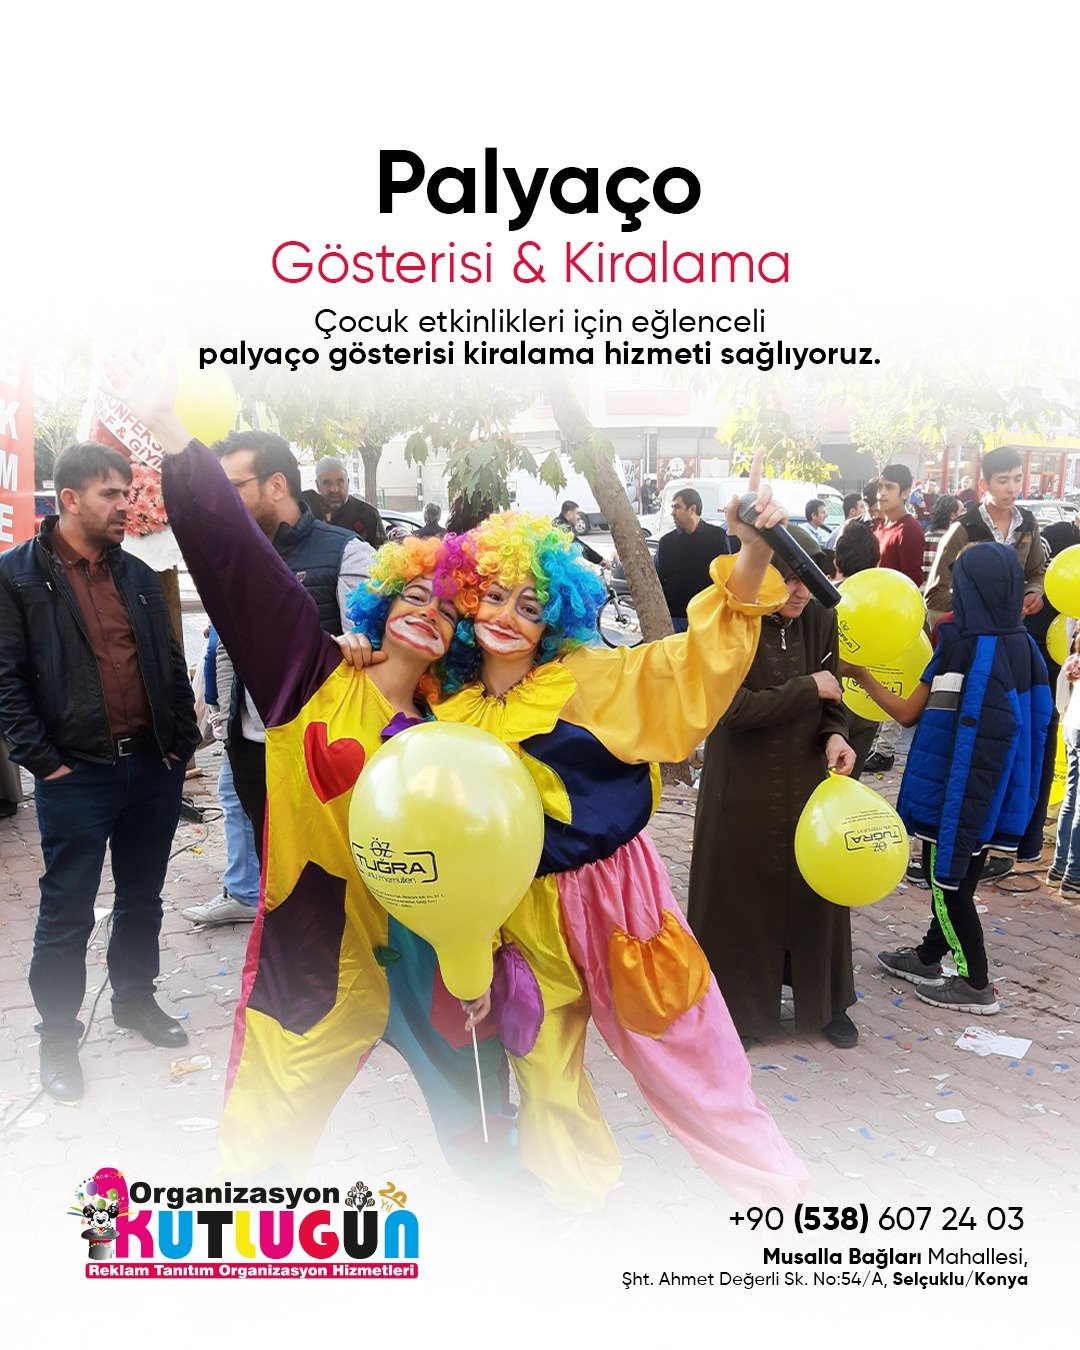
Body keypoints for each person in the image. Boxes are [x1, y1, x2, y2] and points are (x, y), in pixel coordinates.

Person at [125, 377, 514, 1184]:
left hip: (434, 950)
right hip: (316, 941)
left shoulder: (461, 729)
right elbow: (241, 570)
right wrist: (178, 445)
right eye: (414, 595)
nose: (429, 613)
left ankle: (504, 1223)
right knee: (268, 1126)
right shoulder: (309, 676)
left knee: (480, 1115)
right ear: (381, 607)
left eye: (449, 610)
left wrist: (483, 957)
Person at [420, 468, 810, 1212]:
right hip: (514, 914)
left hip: (613, 898)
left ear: (555, 617)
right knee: (543, 1071)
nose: (506, 617)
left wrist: (753, 553)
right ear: (467, 600)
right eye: (493, 596)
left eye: (530, 605)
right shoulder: (446, 701)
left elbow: (692, 667)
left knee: (689, 1060)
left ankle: (778, 1200)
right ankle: (575, 1205)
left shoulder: (589, 679)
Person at [0, 441, 200, 1104]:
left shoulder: (138, 574)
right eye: (110, 494)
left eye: (127, 492)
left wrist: (180, 746)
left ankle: (134, 1000)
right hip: (76, 776)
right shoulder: (15, 578)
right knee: (67, 909)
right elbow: (6, 681)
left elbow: (169, 662)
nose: (125, 506)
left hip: (152, 768)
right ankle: (58, 1034)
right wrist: (45, 764)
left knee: (143, 897)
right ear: (69, 500)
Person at [844, 543, 1051, 1014]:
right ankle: (927, 956)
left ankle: (975, 982)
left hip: (954, 794)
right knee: (962, 876)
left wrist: (860, 675)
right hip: (997, 793)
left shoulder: (962, 646)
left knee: (949, 885)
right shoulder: (1026, 648)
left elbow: (907, 712)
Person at [688, 525, 859, 1048]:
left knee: (817, 890)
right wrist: (808, 688)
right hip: (741, 784)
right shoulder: (731, 620)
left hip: (806, 780)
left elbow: (834, 699)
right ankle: (738, 1012)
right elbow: (729, 709)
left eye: (810, 580)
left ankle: (827, 1003)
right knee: (740, 898)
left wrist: (835, 736)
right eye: (790, 579)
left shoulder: (821, 616)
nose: (801, 591)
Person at [214, 431, 368, 859]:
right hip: (253, 752)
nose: (222, 501)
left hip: (321, 751)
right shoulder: (235, 557)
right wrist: (227, 724)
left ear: (277, 485)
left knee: (330, 875)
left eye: (233, 487)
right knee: (273, 874)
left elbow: (366, 652)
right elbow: (226, 648)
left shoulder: (346, 552)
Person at [181, 632, 261, 926]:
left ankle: (246, 893)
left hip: (256, 728)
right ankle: (247, 889)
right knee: (233, 796)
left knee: (239, 800)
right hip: (241, 724)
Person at [924, 446, 1046, 631]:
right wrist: (982, 600)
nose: (1012, 488)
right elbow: (934, 597)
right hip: (971, 635)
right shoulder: (964, 529)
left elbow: (1037, 573)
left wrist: (1034, 593)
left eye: (1017, 479)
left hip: (1012, 631)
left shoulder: (1028, 523)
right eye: (1003, 480)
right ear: (984, 484)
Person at [656, 486, 730, 631]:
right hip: (676, 617)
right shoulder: (666, 542)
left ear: (692, 509)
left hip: (708, 616)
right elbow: (658, 579)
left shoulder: (717, 537)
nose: (672, 513)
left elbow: (726, 576)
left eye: (677, 507)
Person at [1049, 629, 1080, 897]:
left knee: (1071, 799)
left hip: (1072, 723)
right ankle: (1073, 875)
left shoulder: (1075, 655)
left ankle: (1059, 868)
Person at [871, 464, 925, 587]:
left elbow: (912, 581)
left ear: (905, 493)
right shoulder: (877, 528)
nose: (882, 493)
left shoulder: (909, 530)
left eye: (889, 487)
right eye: (880, 487)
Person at [314, 456, 387, 546]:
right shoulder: (309, 516)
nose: (334, 489)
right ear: (317, 485)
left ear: (348, 483)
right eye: (327, 483)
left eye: (340, 482)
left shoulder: (368, 514)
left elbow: (383, 551)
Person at [921, 494, 962, 584]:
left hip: (921, 590)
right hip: (944, 591)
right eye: (962, 511)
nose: (965, 513)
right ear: (952, 516)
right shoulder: (954, 540)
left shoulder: (924, 538)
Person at [553, 499, 607, 567]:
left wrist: (599, 559)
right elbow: (579, 545)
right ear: (569, 514)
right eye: (576, 513)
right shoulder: (563, 528)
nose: (579, 516)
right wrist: (600, 560)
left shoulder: (556, 523)